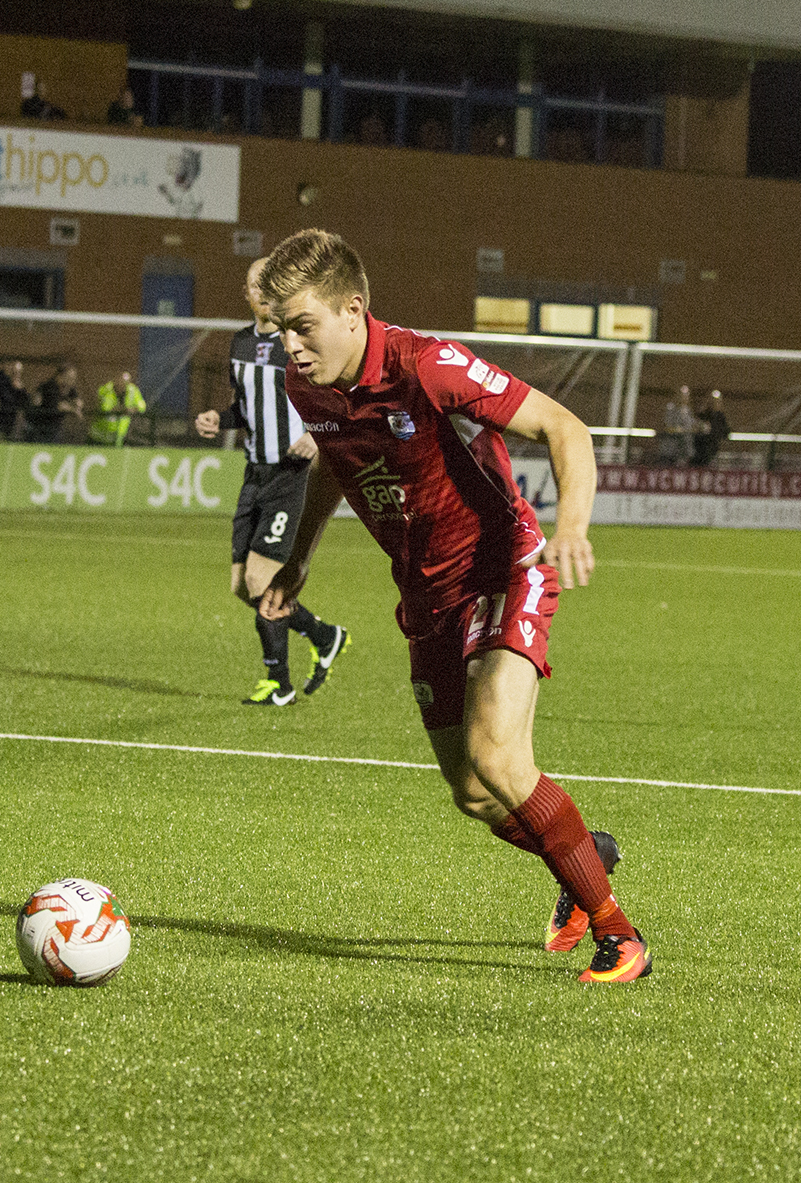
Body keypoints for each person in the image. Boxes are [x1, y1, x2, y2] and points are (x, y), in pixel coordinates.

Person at [256, 228, 648, 984]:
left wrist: (572, 527)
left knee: (497, 756)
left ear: (352, 310)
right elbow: (336, 469)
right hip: (426, 594)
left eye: (302, 327)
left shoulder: (426, 366)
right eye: (280, 331)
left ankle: (620, 935)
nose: (291, 347)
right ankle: (583, 856)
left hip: (506, 569)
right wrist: (299, 557)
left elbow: (564, 426)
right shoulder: (305, 384)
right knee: (473, 790)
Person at [194, 256, 349, 706]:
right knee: (242, 585)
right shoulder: (240, 343)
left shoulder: (297, 343)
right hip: (254, 472)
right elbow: (243, 407)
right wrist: (218, 418)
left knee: (263, 580)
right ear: (246, 293)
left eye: (268, 284)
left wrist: (314, 438)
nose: (260, 291)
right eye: (253, 284)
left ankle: (278, 684)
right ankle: (323, 635)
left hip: (291, 475)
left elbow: (335, 398)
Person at [28, 364, 81, 444]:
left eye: (73, 379)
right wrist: (74, 410)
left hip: (54, 428)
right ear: (61, 376)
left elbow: (77, 400)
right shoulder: (49, 387)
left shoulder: (67, 387)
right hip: (41, 428)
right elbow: (59, 406)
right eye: (70, 378)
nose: (72, 381)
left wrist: (78, 405)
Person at [88, 371, 145, 445]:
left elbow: (142, 406)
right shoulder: (107, 390)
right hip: (99, 438)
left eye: (125, 384)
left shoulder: (132, 390)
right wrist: (124, 410)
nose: (123, 386)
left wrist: (133, 409)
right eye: (121, 383)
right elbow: (106, 408)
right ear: (115, 381)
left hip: (118, 438)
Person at [0, 360, 27, 440]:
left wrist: (21, 390)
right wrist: (16, 389)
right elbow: (7, 399)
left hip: (11, 424)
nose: (17, 375)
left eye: (19, 372)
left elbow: (24, 403)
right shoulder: (0, 381)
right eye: (15, 372)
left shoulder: (15, 384)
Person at [654, 384, 694, 466]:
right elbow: (667, 426)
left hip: (684, 449)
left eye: (686, 396)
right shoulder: (671, 408)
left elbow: (691, 425)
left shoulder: (688, 411)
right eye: (682, 395)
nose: (684, 398)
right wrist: (679, 430)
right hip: (671, 449)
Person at [691, 388, 730, 467]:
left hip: (715, 448)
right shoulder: (703, 415)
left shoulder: (721, 417)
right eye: (713, 401)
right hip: (702, 449)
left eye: (717, 401)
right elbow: (697, 428)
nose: (715, 403)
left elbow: (725, 432)